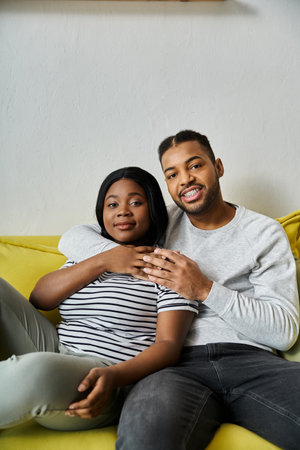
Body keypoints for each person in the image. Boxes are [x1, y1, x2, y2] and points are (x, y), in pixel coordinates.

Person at [59, 130, 300, 450]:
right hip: (174, 367)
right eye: (172, 174)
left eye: (195, 166)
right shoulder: (160, 223)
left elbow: (284, 331)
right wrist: (115, 257)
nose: (185, 179)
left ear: (218, 167)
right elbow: (74, 238)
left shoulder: (263, 232)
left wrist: (203, 288)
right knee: (145, 436)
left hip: (254, 363)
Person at [0, 166, 199, 431]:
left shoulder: (169, 266)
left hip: (102, 377)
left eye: (136, 202)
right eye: (112, 204)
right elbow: (40, 298)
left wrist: (115, 376)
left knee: (35, 370)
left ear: (153, 209)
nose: (122, 211)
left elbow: (169, 345)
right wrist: (105, 260)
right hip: (54, 347)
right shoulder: (90, 255)